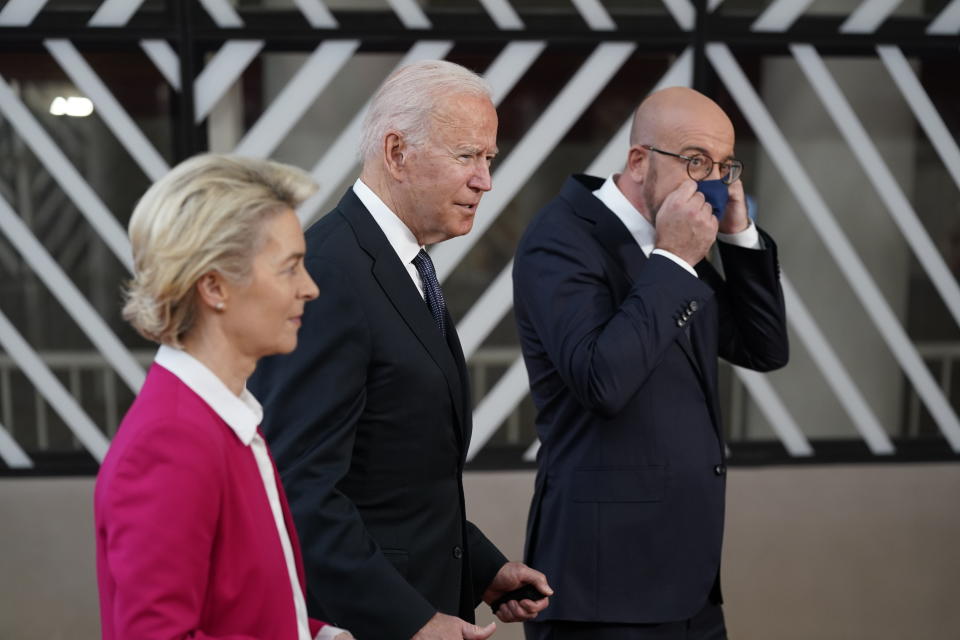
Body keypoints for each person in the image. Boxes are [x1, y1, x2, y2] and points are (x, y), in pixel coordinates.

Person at [249, 60, 552, 640]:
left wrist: (484, 569)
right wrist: (411, 621)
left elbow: (395, 476)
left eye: (489, 159)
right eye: (467, 156)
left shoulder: (403, 262)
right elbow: (300, 492)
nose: (485, 181)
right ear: (396, 153)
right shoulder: (330, 274)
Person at [513, 86, 789, 639]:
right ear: (639, 161)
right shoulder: (561, 238)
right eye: (694, 161)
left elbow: (763, 347)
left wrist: (737, 235)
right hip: (604, 587)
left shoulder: (675, 241)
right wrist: (674, 258)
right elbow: (602, 381)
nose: (711, 181)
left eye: (723, 165)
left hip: (690, 582)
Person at [94, 154, 352, 640]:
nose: (310, 288)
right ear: (214, 286)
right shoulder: (170, 441)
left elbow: (249, 612)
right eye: (290, 269)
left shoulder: (221, 422)